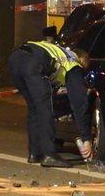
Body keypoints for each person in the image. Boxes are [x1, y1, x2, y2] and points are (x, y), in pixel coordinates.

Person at [8, 39, 93, 168]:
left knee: (34, 107)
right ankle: (49, 154)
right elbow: (79, 103)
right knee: (45, 109)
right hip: (33, 63)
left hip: (15, 60)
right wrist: (86, 138)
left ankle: (34, 153)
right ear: (81, 60)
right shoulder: (73, 63)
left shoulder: (58, 51)